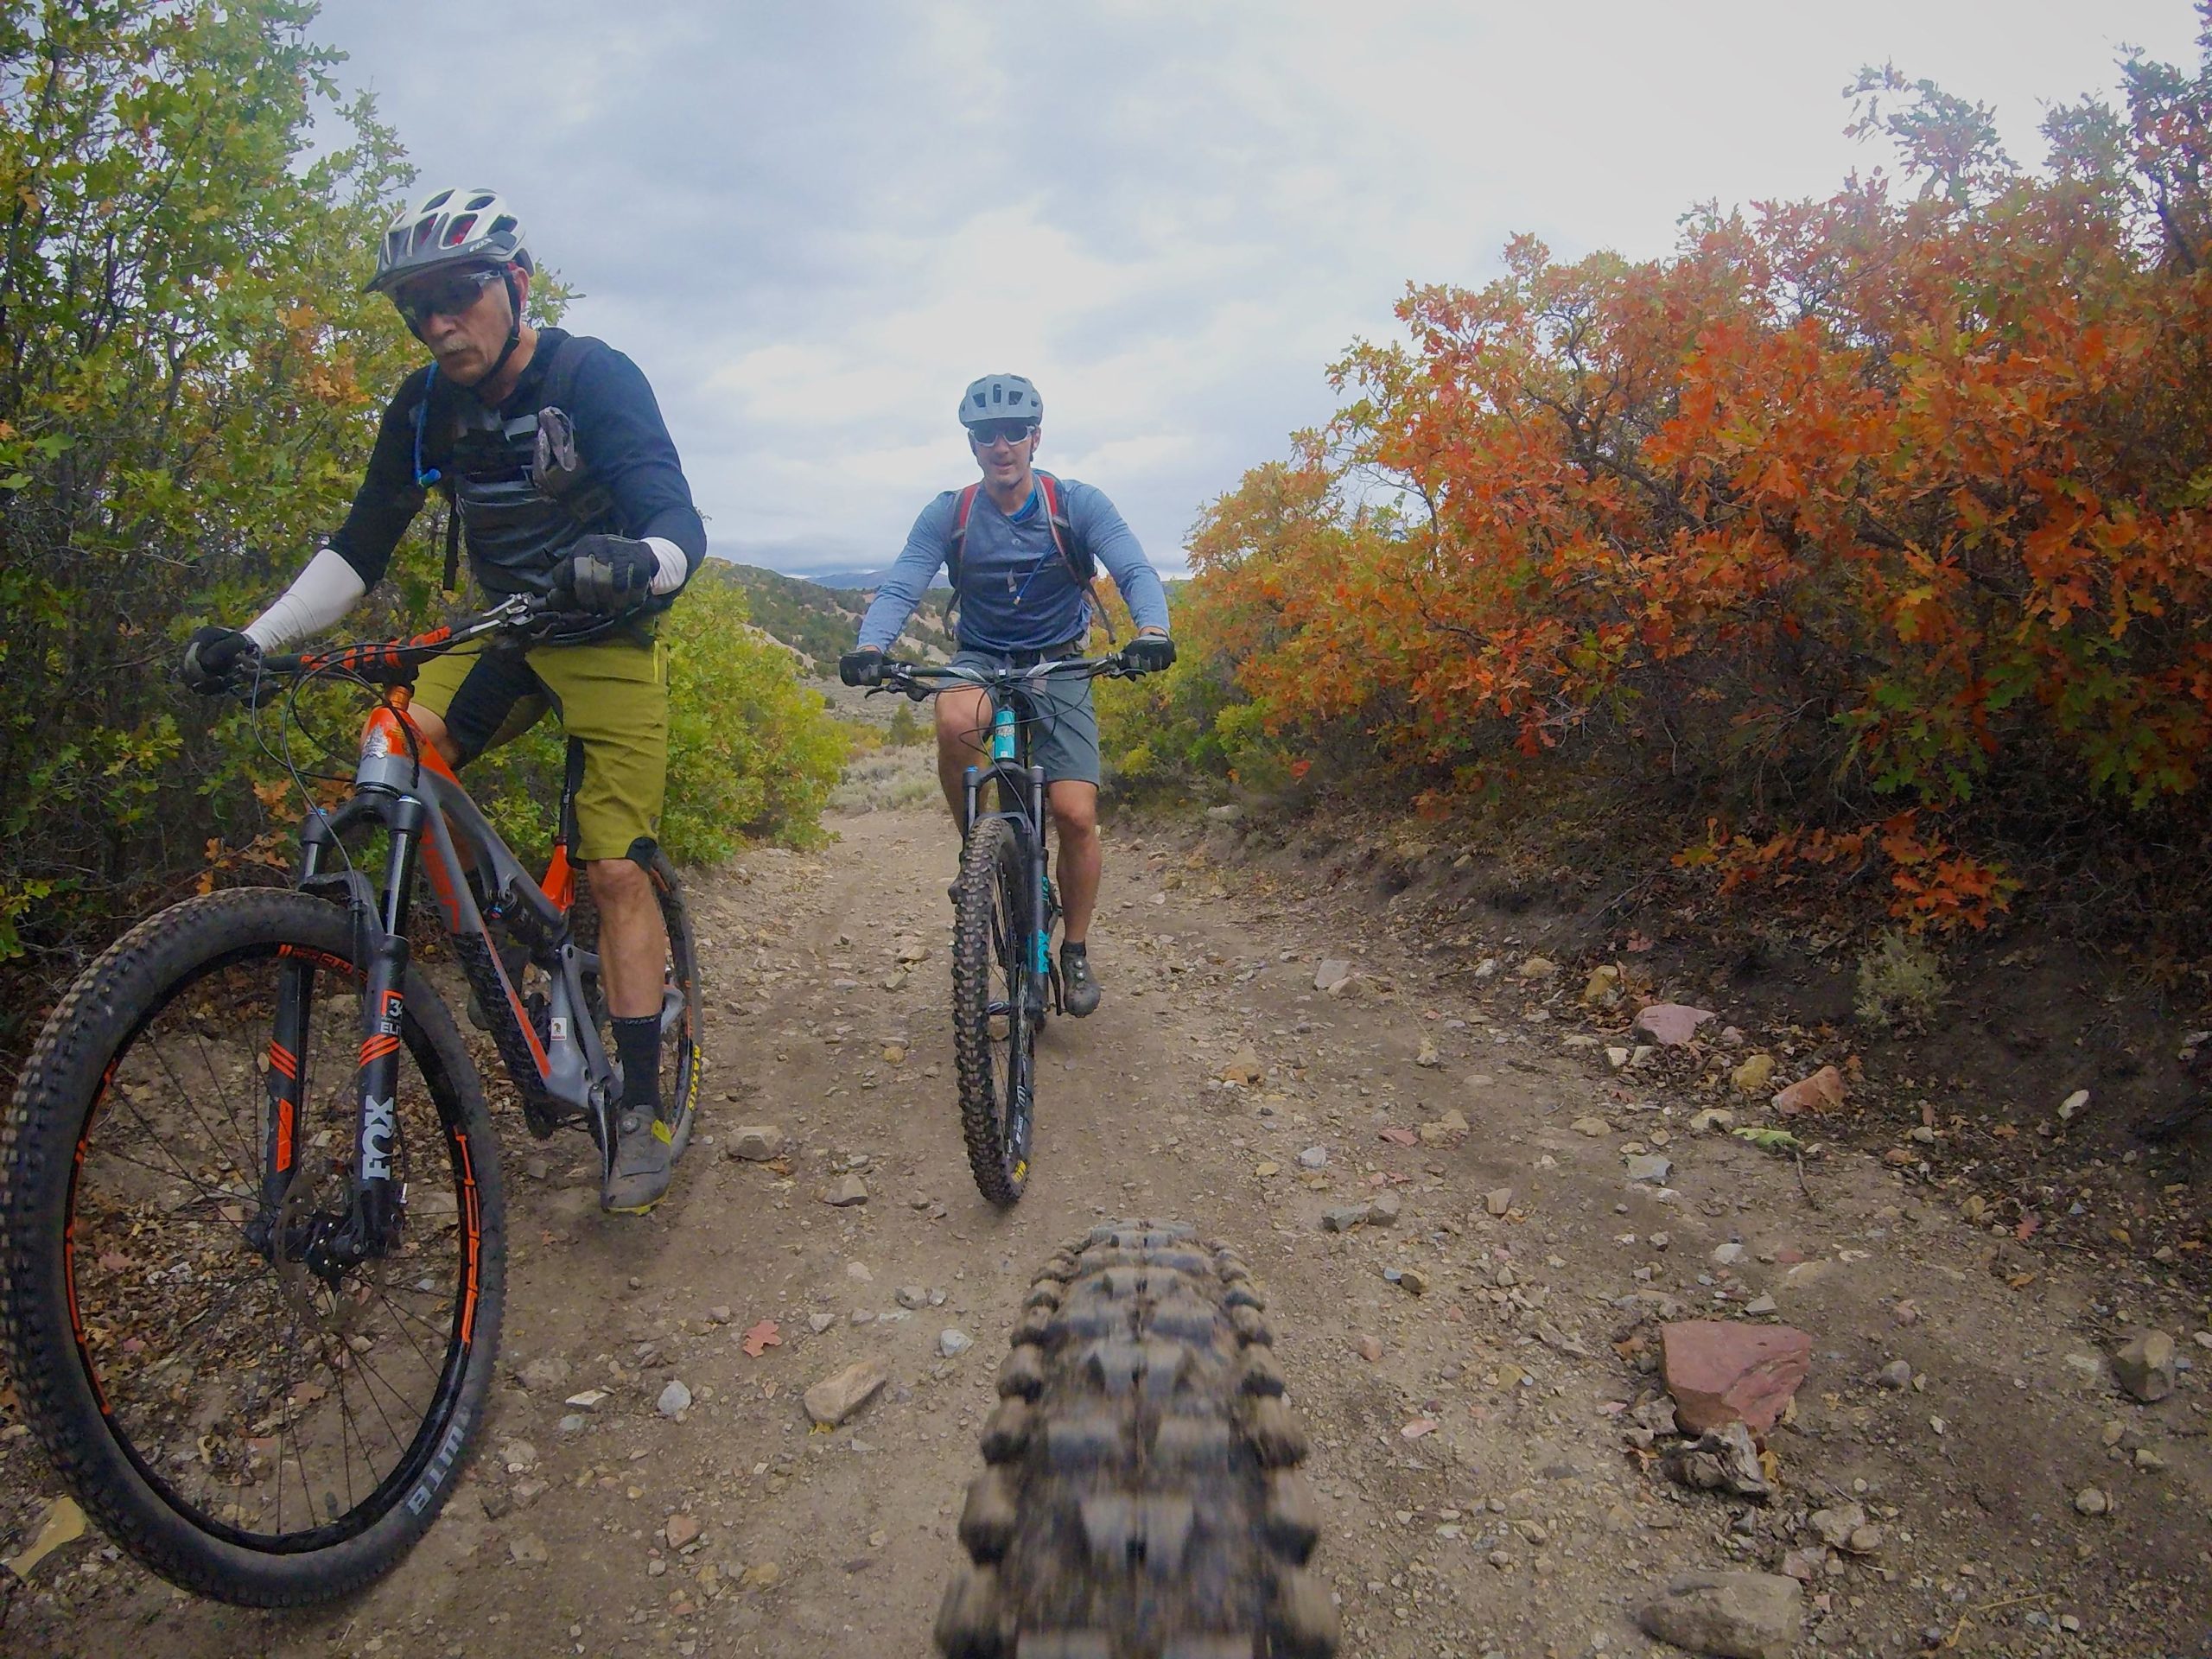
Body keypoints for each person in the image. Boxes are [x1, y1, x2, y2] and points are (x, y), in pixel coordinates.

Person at [181, 186, 708, 1215]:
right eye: (414, 307)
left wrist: (631, 561)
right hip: (503, 630)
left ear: (513, 285)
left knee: (613, 870)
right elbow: (358, 546)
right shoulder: (425, 404)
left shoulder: (592, 376)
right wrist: (254, 642)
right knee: (392, 736)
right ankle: (500, 922)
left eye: (456, 296)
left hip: (608, 635)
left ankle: (640, 1109)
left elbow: (679, 524)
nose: (436, 323)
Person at [840, 373, 1173, 1016]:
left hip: (1060, 660)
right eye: (987, 434)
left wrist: (1153, 629)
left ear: (1034, 438)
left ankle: (1072, 948)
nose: (1001, 445)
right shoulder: (951, 512)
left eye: (1013, 432)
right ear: (972, 443)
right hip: (982, 657)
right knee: (953, 716)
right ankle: (977, 854)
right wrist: (872, 647)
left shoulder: (1075, 503)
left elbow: (1132, 568)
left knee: (1075, 814)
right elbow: (904, 582)